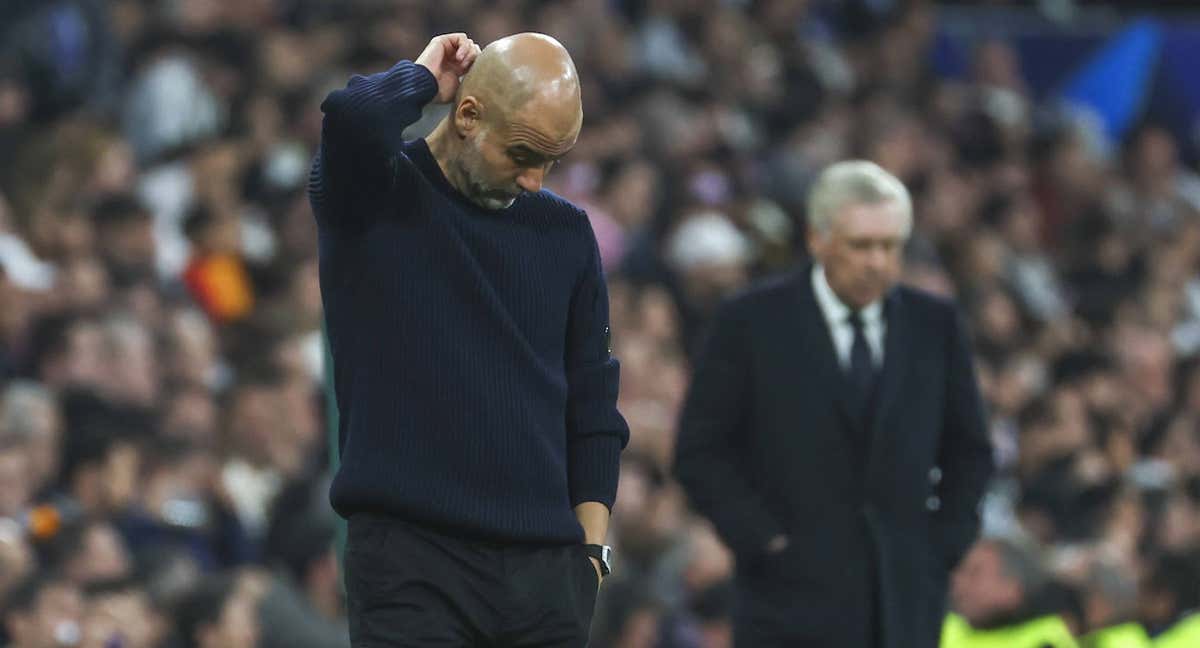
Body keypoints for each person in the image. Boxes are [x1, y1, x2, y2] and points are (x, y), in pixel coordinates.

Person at [308, 32, 629, 646]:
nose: (535, 180)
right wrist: (425, 78)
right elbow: (350, 119)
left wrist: (589, 558)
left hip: (545, 579)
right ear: (468, 115)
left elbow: (593, 404)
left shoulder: (565, 232)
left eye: (552, 161)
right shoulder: (374, 197)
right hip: (411, 567)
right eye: (521, 154)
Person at [674, 160, 994, 647]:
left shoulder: (936, 325)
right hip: (785, 606)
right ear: (818, 239)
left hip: (903, 603)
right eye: (861, 245)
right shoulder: (751, 322)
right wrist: (762, 539)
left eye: (890, 247)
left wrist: (940, 545)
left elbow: (969, 450)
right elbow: (701, 450)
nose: (877, 262)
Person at [941, 538, 1078, 648]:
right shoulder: (947, 622)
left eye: (974, 573)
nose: (957, 580)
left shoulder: (1046, 642)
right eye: (959, 570)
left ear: (1012, 588)